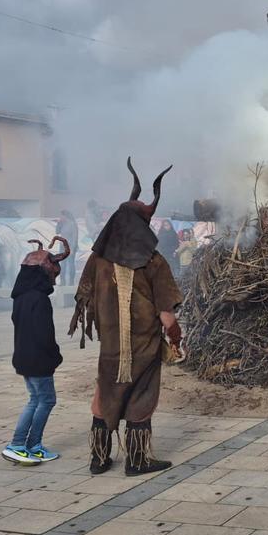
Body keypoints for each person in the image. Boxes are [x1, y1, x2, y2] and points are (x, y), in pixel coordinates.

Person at [71, 160, 182, 476]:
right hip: (144, 347)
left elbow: (84, 297)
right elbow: (167, 316)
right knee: (141, 399)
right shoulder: (154, 261)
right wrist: (176, 339)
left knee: (103, 396)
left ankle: (99, 459)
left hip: (110, 348)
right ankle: (138, 460)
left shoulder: (98, 259)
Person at [3, 237, 70, 465]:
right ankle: (19, 444)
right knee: (46, 400)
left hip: (23, 357)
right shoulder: (39, 299)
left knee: (35, 399)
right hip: (38, 359)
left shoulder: (20, 297)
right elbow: (44, 334)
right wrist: (55, 356)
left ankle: (31, 445)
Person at [55, 210, 79, 285]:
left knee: (71, 263)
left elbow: (75, 238)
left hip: (70, 246)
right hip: (62, 246)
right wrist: (58, 224)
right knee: (63, 264)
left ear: (65, 216)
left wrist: (72, 249)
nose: (60, 217)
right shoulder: (62, 224)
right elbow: (57, 232)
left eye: (61, 216)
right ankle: (63, 281)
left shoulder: (72, 224)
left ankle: (71, 282)